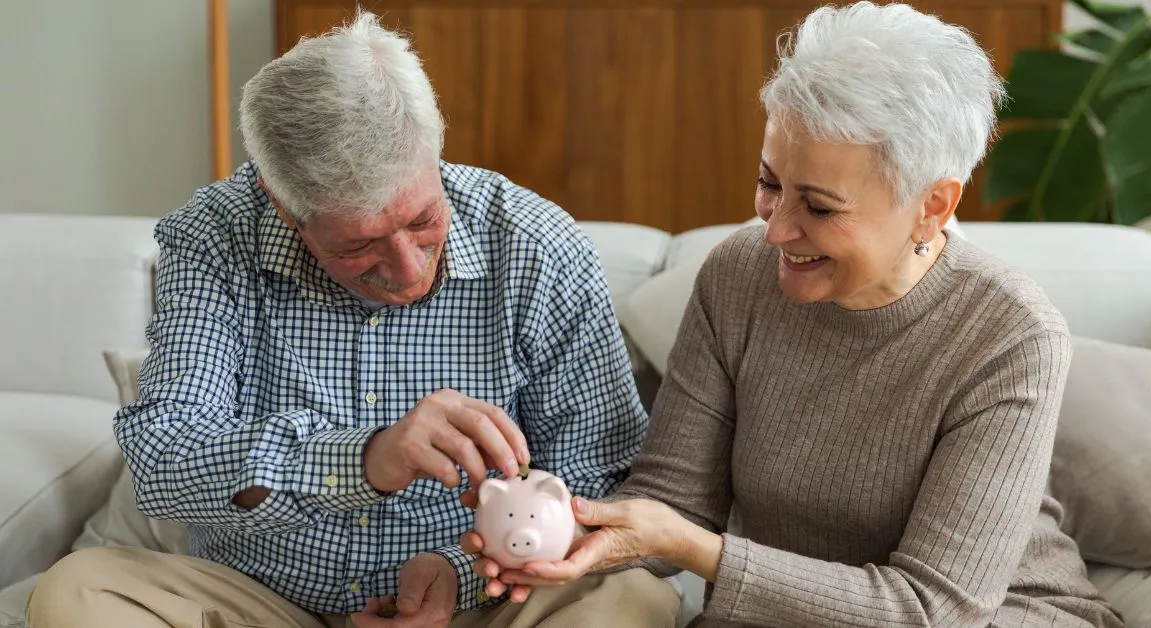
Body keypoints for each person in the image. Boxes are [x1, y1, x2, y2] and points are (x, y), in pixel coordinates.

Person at [464, 2, 1125, 626]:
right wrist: (560, 526)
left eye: (819, 206)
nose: (776, 230)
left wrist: (702, 551)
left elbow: (932, 610)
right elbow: (674, 507)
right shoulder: (737, 277)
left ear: (932, 205)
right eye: (770, 183)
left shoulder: (1009, 335)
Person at [25, 10, 679, 628]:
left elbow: (599, 484)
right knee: (76, 590)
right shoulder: (215, 235)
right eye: (358, 245)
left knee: (631, 596)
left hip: (481, 606)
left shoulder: (539, 247)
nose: (404, 267)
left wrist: (464, 572)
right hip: (263, 602)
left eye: (422, 221)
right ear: (281, 206)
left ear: (436, 152)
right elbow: (164, 459)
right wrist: (365, 459)